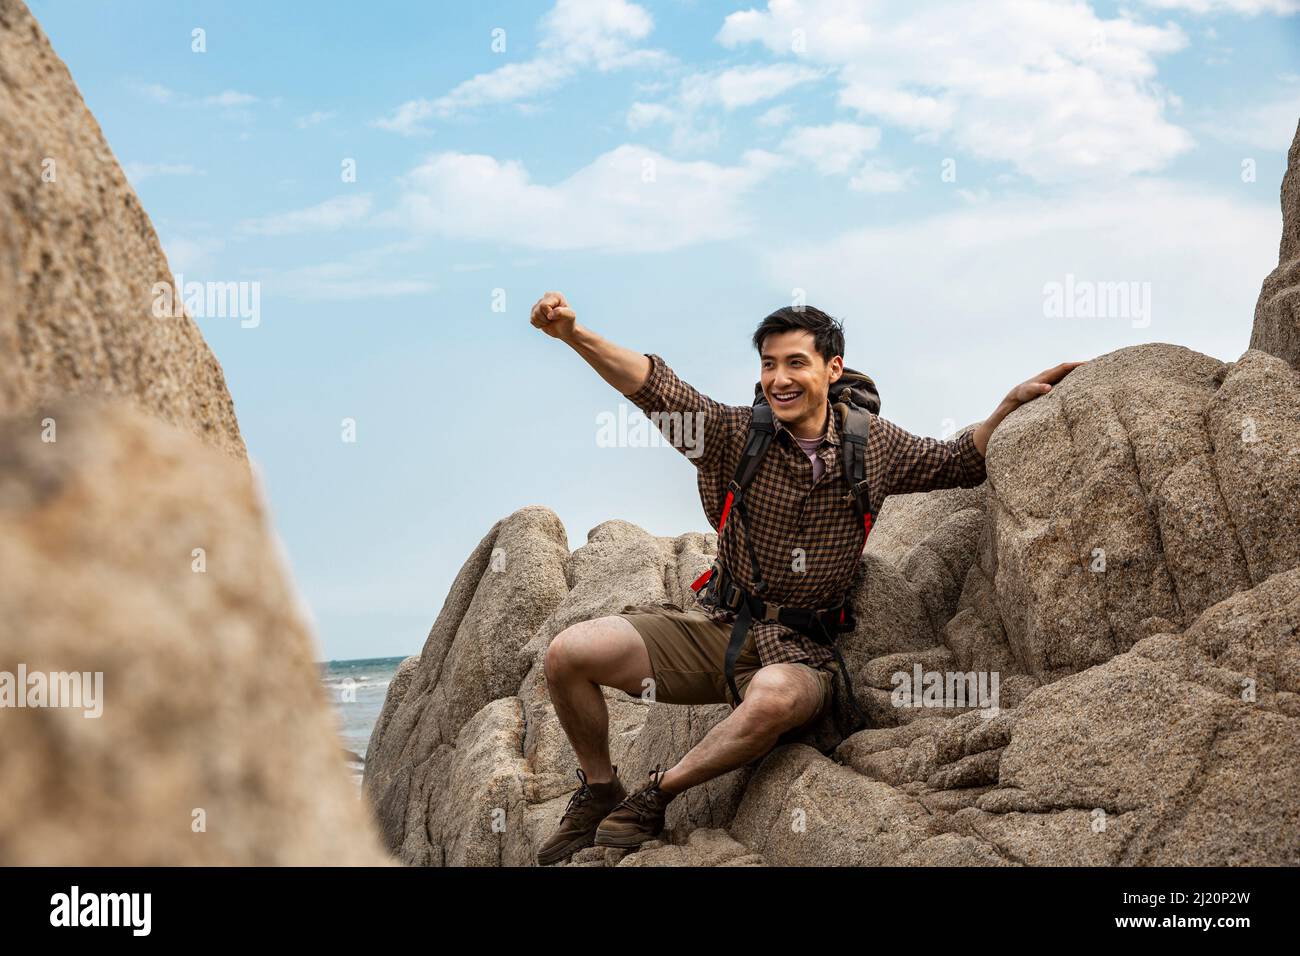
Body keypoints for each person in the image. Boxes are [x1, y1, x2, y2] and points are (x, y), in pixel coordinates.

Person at [529, 290, 1084, 865]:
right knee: (569, 653)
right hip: (720, 628)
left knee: (773, 699)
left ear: (832, 368)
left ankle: (656, 794)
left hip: (802, 650)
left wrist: (1008, 407)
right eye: (769, 364)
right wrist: (574, 334)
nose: (779, 378)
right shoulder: (734, 435)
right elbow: (652, 386)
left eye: (796, 362)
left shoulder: (874, 447)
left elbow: (957, 461)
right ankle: (600, 790)